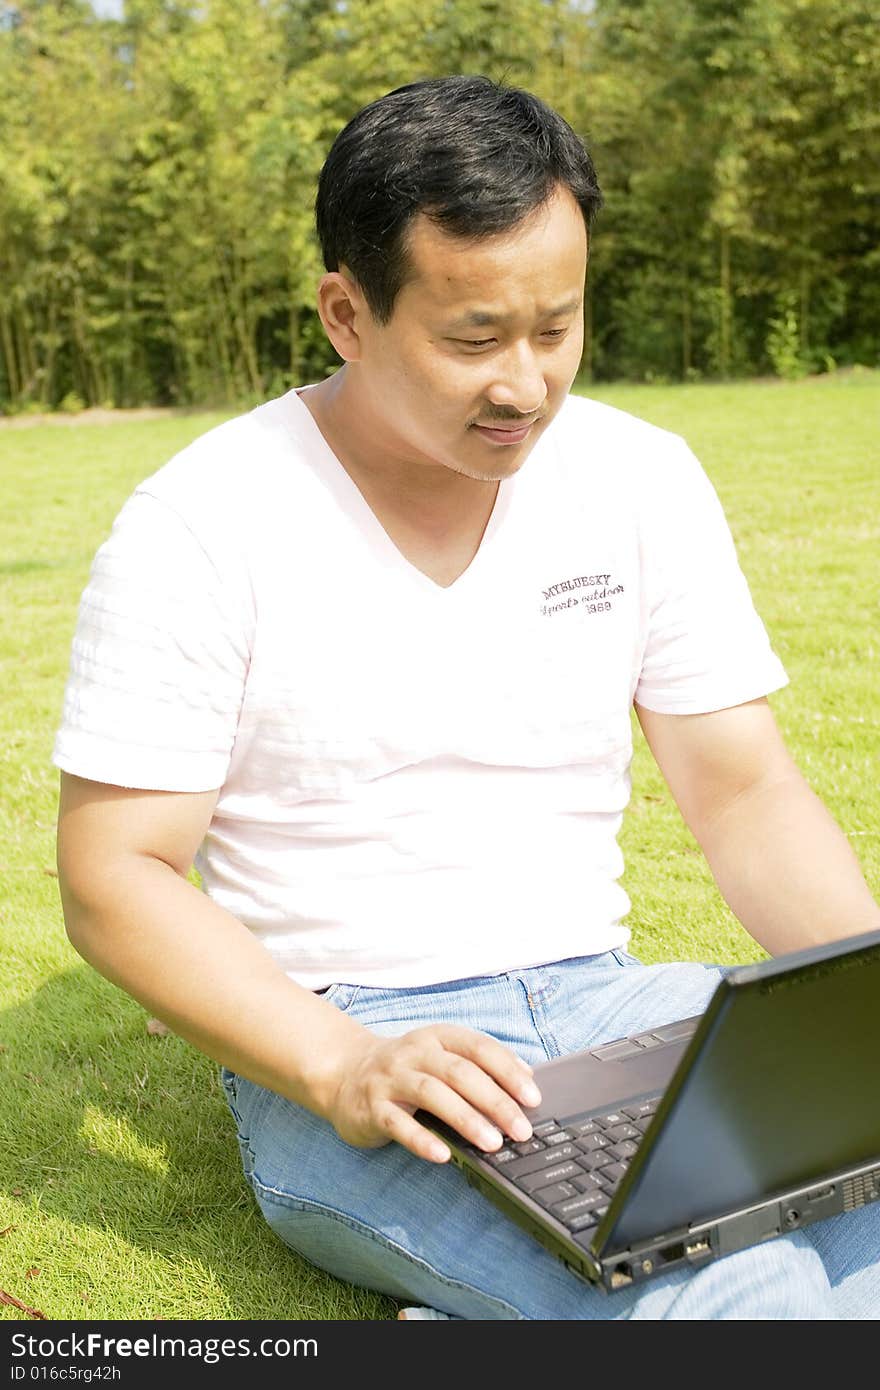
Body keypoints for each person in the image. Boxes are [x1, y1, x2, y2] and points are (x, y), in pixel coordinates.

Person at [53, 74, 879, 1321]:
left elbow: (745, 786)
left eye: (557, 327)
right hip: (357, 1041)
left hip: (614, 1007)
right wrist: (338, 1065)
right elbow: (114, 875)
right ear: (347, 311)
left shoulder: (637, 478)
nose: (527, 385)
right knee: (739, 1291)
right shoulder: (203, 524)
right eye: (475, 339)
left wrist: (862, 997)